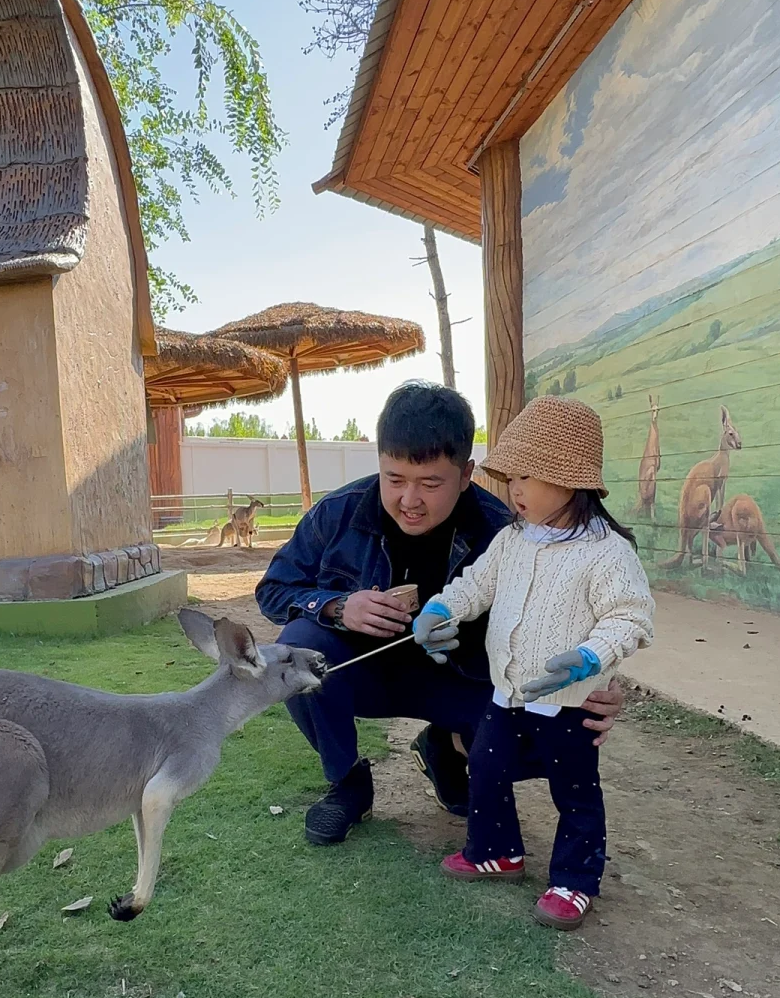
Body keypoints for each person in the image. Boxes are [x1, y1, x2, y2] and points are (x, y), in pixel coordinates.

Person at [256, 382, 624, 845]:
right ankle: (348, 782)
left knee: (564, 729)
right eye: (394, 479)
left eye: (431, 483)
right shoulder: (337, 513)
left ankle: (446, 748)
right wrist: (337, 606)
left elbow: (571, 619)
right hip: (359, 673)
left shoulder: (503, 533)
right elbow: (273, 589)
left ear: (467, 474)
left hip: (458, 680)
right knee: (294, 653)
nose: (410, 500)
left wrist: (602, 679)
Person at [413, 395, 654, 929]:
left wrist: (589, 656)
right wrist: (439, 609)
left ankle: (575, 880)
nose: (513, 489)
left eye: (526, 476)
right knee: (487, 768)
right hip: (507, 694)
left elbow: (630, 618)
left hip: (569, 703)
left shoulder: (607, 552)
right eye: (511, 477)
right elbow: (476, 585)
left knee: (575, 793)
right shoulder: (511, 540)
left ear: (568, 479)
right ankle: (496, 851)